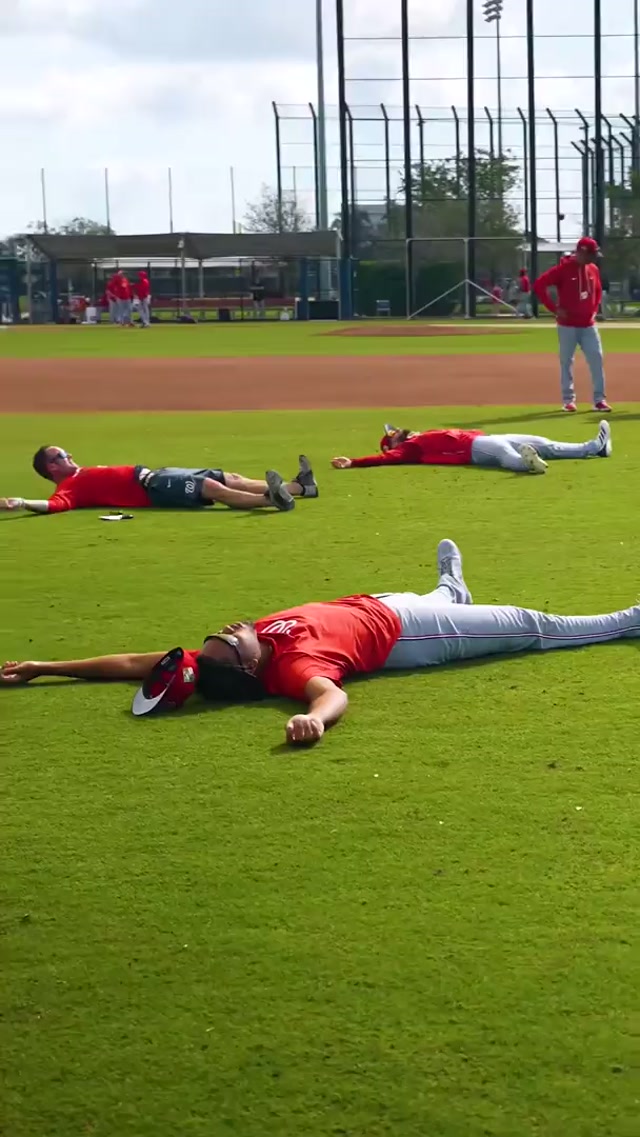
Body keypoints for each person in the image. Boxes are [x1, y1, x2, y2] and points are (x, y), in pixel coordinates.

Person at [4, 539, 640, 747]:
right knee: (534, 628)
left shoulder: (223, 662)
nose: (227, 631)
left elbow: (136, 663)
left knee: (442, 592)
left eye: (215, 639)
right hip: (415, 637)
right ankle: (625, 621)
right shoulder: (286, 670)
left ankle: (451, 589)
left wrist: (46, 666)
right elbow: (328, 694)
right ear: (248, 669)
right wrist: (313, 718)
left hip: (377, 604)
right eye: (228, 642)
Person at [0, 446, 318, 515]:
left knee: (229, 477)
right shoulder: (68, 487)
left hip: (157, 474)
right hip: (151, 489)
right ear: (50, 469)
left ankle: (300, 487)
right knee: (213, 489)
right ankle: (270, 500)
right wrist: (21, 502)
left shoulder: (79, 474)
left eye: (65, 452)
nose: (67, 457)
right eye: (59, 457)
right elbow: (55, 506)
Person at [331, 420, 611, 476]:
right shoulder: (409, 449)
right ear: (394, 444)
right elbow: (386, 460)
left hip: (489, 437)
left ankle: (593, 447)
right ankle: (528, 465)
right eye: (391, 435)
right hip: (475, 449)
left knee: (544, 443)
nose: (396, 431)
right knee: (506, 457)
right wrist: (354, 462)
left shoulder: (422, 435)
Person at [533, 237, 611, 413]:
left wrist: (595, 308)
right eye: (591, 254)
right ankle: (568, 400)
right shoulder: (563, 269)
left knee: (596, 359)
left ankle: (599, 400)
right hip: (567, 325)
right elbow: (539, 285)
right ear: (582, 252)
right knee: (566, 362)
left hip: (588, 324)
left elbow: (597, 290)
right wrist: (554, 308)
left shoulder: (593, 269)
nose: (594, 258)